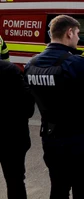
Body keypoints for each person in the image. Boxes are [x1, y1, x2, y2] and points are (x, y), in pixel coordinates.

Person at [24, 15, 84, 199]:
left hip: (51, 139)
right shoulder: (78, 63)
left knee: (58, 188)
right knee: (83, 190)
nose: (79, 38)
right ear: (69, 33)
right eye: (78, 33)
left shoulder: (31, 64)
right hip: (81, 140)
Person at [0, 59, 35, 199]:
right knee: (15, 182)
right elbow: (28, 108)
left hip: (12, 137)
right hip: (12, 137)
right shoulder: (9, 70)